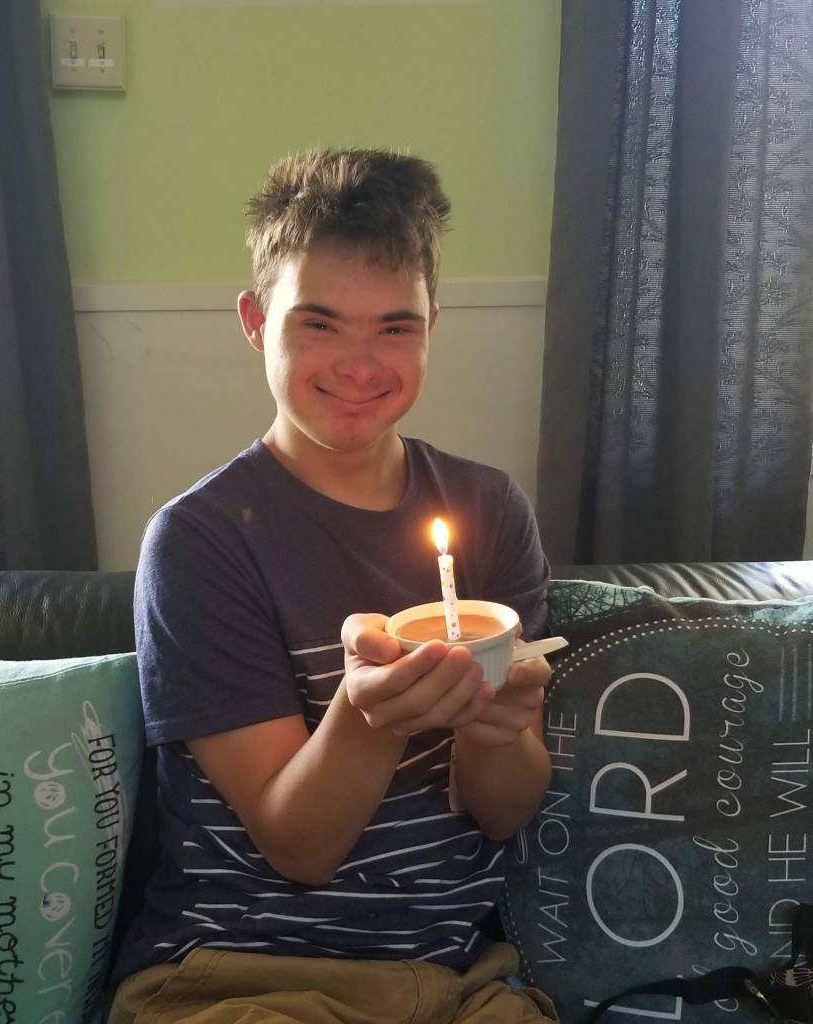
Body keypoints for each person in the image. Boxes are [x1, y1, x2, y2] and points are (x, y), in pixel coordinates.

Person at [110, 148, 557, 1023]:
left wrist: (499, 729)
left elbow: (501, 816)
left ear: (434, 322)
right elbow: (300, 847)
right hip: (240, 975)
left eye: (395, 327)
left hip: (455, 982)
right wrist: (362, 715)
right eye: (318, 324)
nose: (360, 365)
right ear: (253, 320)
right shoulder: (200, 542)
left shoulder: (490, 508)